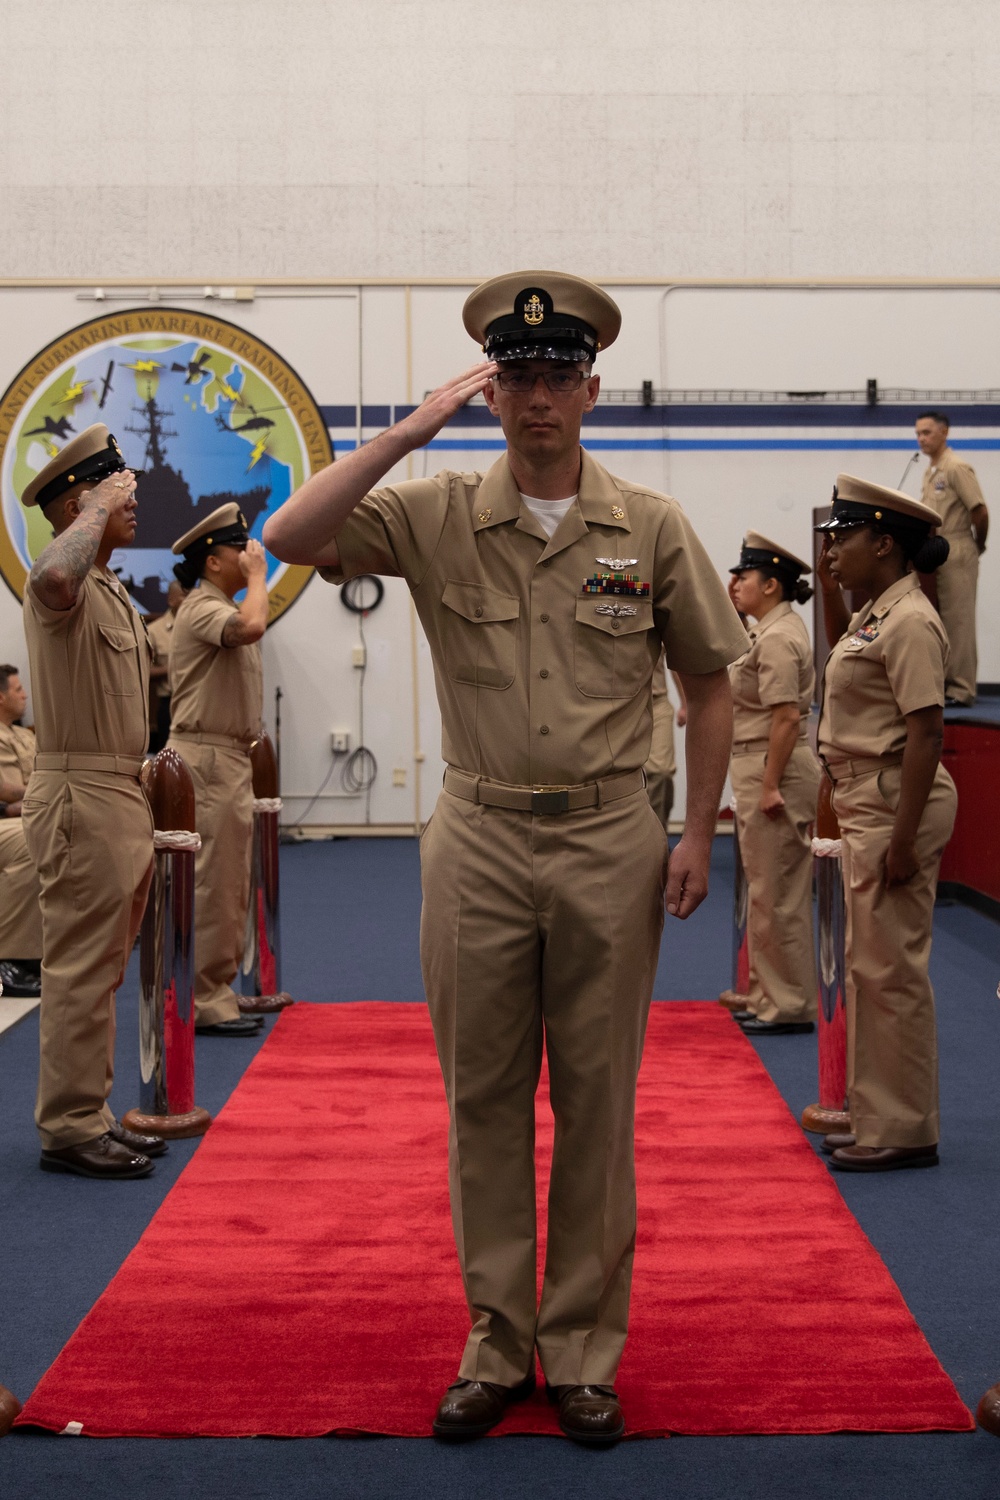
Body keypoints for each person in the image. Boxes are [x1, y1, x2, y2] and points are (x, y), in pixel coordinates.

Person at [263, 270, 747, 1445]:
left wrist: (694, 834)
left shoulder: (650, 527)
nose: (538, 396)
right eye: (516, 376)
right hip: (477, 839)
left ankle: (580, 1351)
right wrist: (407, 430)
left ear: (591, 389)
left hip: (605, 843)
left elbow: (709, 681)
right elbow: (289, 533)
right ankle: (494, 1344)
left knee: (594, 1105)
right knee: (482, 1102)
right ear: (493, 395)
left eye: (557, 376)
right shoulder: (431, 514)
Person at [18, 423, 164, 1179]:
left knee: (102, 966)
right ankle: (69, 1126)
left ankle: (91, 1110)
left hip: (118, 792)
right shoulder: (62, 581)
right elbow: (48, 578)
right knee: (80, 967)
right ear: (79, 500)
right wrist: (94, 511)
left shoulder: (107, 585)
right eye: (117, 488)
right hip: (81, 792)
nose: (131, 499)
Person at [814, 473, 956, 1172]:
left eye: (844, 536)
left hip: (897, 803)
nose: (832, 548)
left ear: (885, 543)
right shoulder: (876, 614)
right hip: (868, 800)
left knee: (891, 969)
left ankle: (906, 1127)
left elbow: (927, 733)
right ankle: (875, 1114)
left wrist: (901, 841)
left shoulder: (910, 621)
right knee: (869, 966)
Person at [167, 505, 272, 1038]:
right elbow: (252, 626)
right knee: (212, 883)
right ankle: (204, 997)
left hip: (226, 759)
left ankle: (216, 987)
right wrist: (259, 579)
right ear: (213, 562)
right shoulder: (203, 607)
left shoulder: (216, 602)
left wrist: (251, 578)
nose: (252, 555)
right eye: (241, 549)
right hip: (206, 759)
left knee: (229, 880)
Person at [726, 533, 821, 1037]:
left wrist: (768, 786)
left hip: (773, 766)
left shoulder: (781, 637)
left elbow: (785, 716)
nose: (735, 584)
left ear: (771, 584)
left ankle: (787, 1004)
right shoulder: (768, 630)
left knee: (779, 893)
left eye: (744, 576)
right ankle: (767, 995)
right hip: (760, 762)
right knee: (766, 892)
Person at [915, 410, 989, 706]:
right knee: (940, 622)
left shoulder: (957, 467)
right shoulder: (931, 471)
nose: (921, 438)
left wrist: (977, 546)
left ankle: (961, 690)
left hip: (957, 547)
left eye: (927, 432)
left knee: (958, 622)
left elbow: (980, 511)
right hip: (935, 550)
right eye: (918, 433)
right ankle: (945, 684)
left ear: (944, 432)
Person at [0, 664, 42, 998]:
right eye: (17, 690)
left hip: (24, 812)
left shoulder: (24, 734)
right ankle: (10, 958)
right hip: (7, 819)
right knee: (32, 842)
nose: (25, 694)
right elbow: (10, 791)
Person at [644, 651, 686, 832]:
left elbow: (675, 660)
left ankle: (656, 836)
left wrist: (685, 703)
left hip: (656, 703)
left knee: (661, 772)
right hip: (613, 707)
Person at [146, 579, 187, 753]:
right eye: (185, 595)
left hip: (200, 706)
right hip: (169, 706)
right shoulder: (154, 630)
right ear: (171, 600)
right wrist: (170, 669)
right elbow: (140, 671)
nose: (191, 600)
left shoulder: (203, 626)